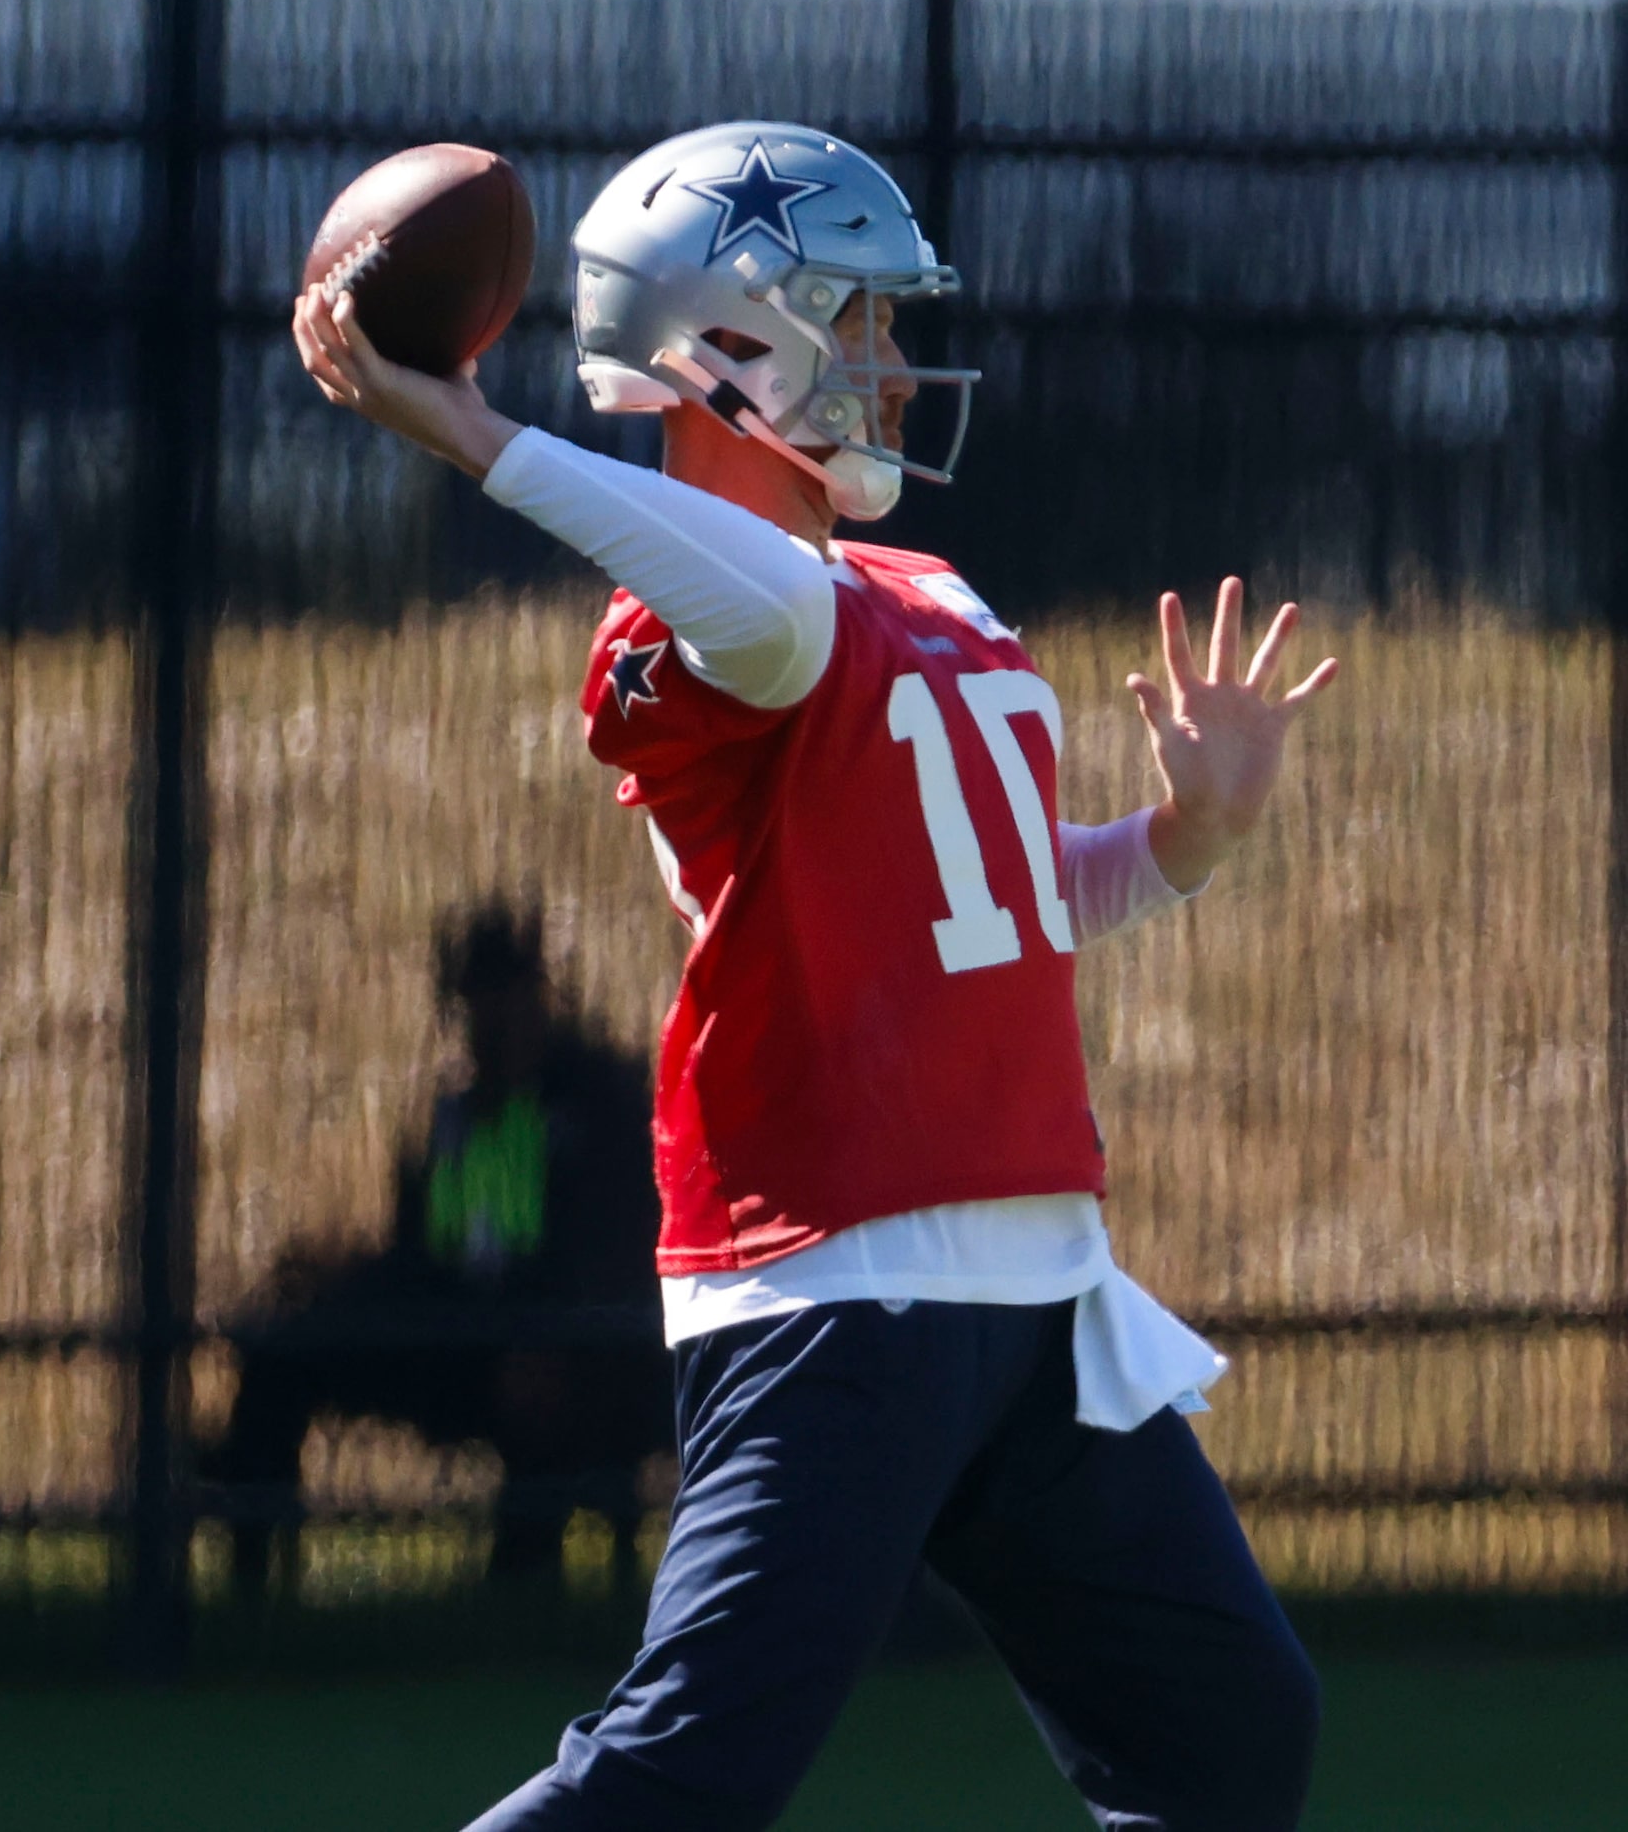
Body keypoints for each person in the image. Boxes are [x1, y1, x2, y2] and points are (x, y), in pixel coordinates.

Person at [292, 121, 1339, 1830]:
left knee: (1230, 1728)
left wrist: (1181, 839)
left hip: (1031, 1292)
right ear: (725, 349)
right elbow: (764, 602)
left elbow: (999, 902)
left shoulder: (918, 587)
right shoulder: (727, 625)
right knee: (680, 1771)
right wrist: (475, 434)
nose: (894, 365)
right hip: (846, 1283)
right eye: (851, 321)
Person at [203, 902, 668, 1597]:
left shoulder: (601, 1108)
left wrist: (555, 1340)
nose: (491, 1021)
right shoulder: (460, 1112)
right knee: (282, 1346)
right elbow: (433, 1254)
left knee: (541, 1404)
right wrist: (346, 1275)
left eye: (507, 997)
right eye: (475, 1002)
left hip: (580, 1356)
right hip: (459, 1338)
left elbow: (620, 1260)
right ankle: (248, 1595)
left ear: (541, 997)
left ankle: (521, 1599)